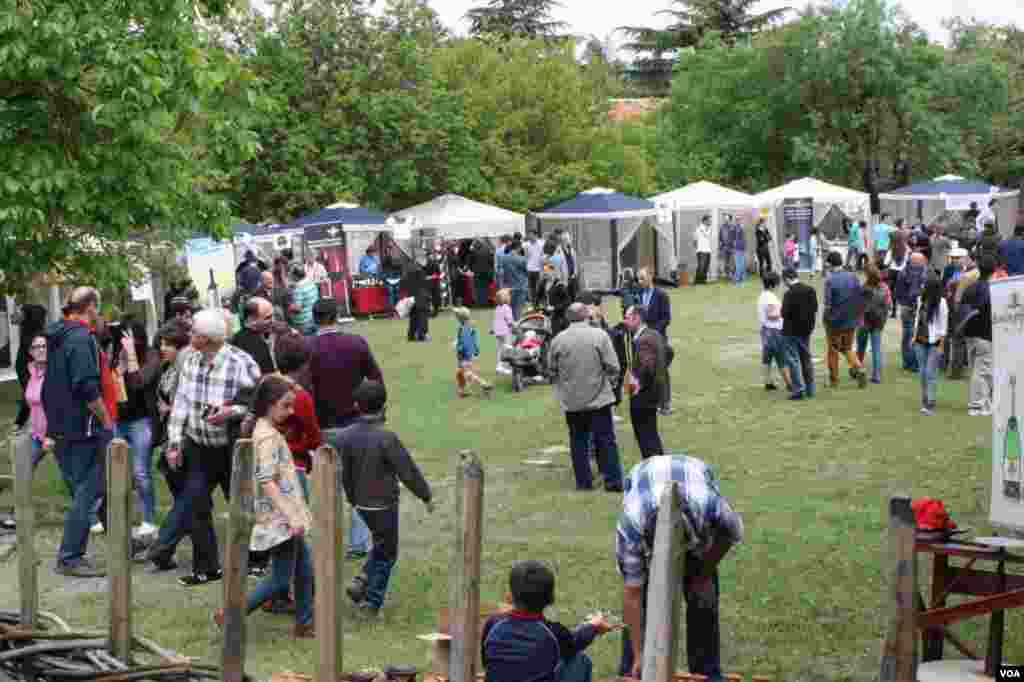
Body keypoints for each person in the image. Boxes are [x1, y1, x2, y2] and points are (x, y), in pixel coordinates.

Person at [145, 309, 261, 587]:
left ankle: (258, 561)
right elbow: (182, 404)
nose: (190, 336)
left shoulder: (241, 363)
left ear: (208, 339)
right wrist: (174, 444)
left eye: (194, 333)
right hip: (199, 446)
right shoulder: (191, 361)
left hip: (232, 447)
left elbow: (257, 402)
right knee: (196, 505)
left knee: (244, 505)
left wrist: (229, 411)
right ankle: (207, 567)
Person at [617, 455, 744, 679]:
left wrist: (704, 571)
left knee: (703, 596)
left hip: (693, 479)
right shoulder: (631, 527)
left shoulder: (709, 506)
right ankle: (633, 670)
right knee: (643, 595)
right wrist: (639, 654)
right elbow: (632, 594)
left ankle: (706, 671)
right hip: (644, 480)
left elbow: (730, 534)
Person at [213, 375, 315, 638]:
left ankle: (305, 623)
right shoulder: (267, 437)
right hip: (279, 518)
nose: (291, 411)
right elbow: (267, 480)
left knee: (304, 568)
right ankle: (231, 613)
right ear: (269, 404)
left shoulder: (262, 428)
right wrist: (291, 514)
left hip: (280, 515)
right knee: (282, 577)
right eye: (286, 405)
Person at [340, 380, 434, 616]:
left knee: (381, 544)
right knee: (388, 552)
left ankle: (362, 580)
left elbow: (345, 472)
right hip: (384, 505)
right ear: (384, 407)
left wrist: (352, 498)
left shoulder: (347, 437)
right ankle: (372, 601)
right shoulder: (386, 438)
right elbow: (407, 470)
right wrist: (426, 496)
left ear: (356, 406)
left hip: (360, 504)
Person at [42, 287, 113, 577]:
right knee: (89, 490)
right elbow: (86, 386)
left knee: (96, 486)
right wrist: (106, 420)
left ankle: (121, 540)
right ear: (91, 307)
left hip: (60, 425)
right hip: (82, 428)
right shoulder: (81, 338)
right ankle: (70, 557)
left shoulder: (57, 337)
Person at [307, 298, 382, 560]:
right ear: (337, 315)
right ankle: (359, 542)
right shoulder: (356, 343)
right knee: (359, 483)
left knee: (328, 488)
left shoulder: (307, 348)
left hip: (323, 426)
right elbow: (376, 379)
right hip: (355, 421)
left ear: (314, 318)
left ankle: (328, 542)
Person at [482, 561, 615, 682]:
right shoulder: (553, 633)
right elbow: (576, 640)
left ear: (510, 596)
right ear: (550, 599)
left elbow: (486, 662)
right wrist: (594, 626)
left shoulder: (493, 624)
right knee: (579, 660)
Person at [547, 303, 624, 492]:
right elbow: (614, 366)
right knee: (606, 440)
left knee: (578, 441)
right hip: (599, 399)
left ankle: (583, 482)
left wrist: (565, 384)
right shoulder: (599, 336)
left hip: (573, 401)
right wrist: (611, 383)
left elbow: (551, 369)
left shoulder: (558, 340)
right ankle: (613, 481)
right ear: (586, 316)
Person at [114, 320, 159, 538]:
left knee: (140, 472)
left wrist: (131, 355)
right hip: (119, 420)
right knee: (117, 470)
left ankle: (149, 519)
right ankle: (117, 518)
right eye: (123, 337)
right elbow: (115, 390)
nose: (125, 342)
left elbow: (138, 382)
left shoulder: (151, 356)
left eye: (130, 338)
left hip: (141, 420)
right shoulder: (118, 355)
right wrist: (117, 371)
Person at [623, 306, 666, 460]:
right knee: (651, 435)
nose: (625, 321)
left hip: (643, 398)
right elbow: (669, 352)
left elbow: (647, 366)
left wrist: (637, 383)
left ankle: (655, 471)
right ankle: (660, 467)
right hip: (653, 394)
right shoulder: (654, 334)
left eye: (627, 318)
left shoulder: (644, 340)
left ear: (637, 318)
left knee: (646, 438)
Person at [823, 251, 867, 389]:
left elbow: (828, 304)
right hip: (851, 319)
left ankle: (834, 380)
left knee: (832, 350)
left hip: (834, 321)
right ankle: (859, 369)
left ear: (829, 264)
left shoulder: (830, 280)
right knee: (847, 347)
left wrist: (825, 319)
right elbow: (859, 297)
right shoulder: (853, 277)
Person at [961, 255, 995, 416]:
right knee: (982, 371)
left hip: (970, 333)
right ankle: (977, 405)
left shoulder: (970, 287)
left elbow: (962, 308)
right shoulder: (993, 290)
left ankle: (983, 402)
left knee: (976, 368)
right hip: (985, 334)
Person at [636, 268, 672, 415]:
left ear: (651, 276)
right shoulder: (638, 294)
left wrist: (653, 332)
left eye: (642, 278)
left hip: (658, 337)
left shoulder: (661, 295)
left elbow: (666, 318)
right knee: (644, 369)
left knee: (661, 371)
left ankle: (665, 404)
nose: (640, 282)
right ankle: (650, 401)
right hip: (641, 338)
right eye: (638, 279)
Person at [781, 268, 818, 401]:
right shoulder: (811, 290)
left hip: (791, 331)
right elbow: (815, 309)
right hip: (806, 331)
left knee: (793, 360)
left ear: (786, 279)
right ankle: (810, 388)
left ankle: (798, 389)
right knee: (806, 359)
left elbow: (783, 313)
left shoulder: (789, 294)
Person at [914, 275, 949, 416]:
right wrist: (913, 337)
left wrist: (941, 345)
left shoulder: (941, 303)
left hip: (934, 341)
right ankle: (925, 398)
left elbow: (943, 326)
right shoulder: (920, 300)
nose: (922, 287)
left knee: (930, 372)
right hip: (920, 340)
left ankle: (930, 401)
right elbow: (917, 318)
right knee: (922, 372)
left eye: (924, 285)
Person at [14, 303, 48, 432]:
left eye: (21, 312)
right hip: (26, 368)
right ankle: (23, 422)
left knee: (33, 394)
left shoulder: (35, 334)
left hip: (31, 369)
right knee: (30, 394)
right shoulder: (29, 332)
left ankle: (21, 422)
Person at [856, 263, 891, 385]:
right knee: (876, 348)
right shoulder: (885, 288)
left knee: (861, 348)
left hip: (864, 321)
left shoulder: (864, 288)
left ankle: (857, 370)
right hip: (878, 321)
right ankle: (876, 375)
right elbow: (888, 305)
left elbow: (859, 306)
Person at [895, 253, 928, 373]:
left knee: (908, 335)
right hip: (913, 307)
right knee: (914, 336)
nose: (924, 263)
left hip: (906, 307)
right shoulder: (921, 273)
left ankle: (907, 362)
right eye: (922, 261)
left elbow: (897, 293)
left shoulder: (903, 272)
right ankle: (913, 363)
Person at [24, 335, 54, 471]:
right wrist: (30, 427)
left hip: (56, 435)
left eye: (44, 346)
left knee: (72, 477)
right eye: (37, 347)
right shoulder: (32, 372)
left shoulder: (56, 373)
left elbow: (60, 408)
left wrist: (51, 435)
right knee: (24, 470)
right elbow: (32, 403)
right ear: (31, 352)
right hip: (37, 435)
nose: (41, 350)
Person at [757, 272, 789, 392]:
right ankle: (789, 383)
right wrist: (785, 312)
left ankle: (768, 381)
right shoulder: (770, 297)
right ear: (772, 285)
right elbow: (771, 315)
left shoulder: (763, 295)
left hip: (766, 329)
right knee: (781, 358)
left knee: (767, 357)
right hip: (774, 330)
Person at [454, 307, 493, 398]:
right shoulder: (469, 326)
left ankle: (483, 384)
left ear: (459, 319)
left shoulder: (462, 328)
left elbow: (465, 343)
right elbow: (473, 340)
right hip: (468, 354)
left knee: (467, 373)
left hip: (464, 355)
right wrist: (475, 350)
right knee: (460, 373)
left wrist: (459, 347)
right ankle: (462, 391)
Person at [232, 298, 278, 375]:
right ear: (251, 319)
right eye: (267, 318)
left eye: (273, 316)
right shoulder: (256, 345)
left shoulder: (238, 337)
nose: (273, 320)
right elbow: (269, 379)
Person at [401, 260, 430, 342]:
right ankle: (422, 335)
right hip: (421, 297)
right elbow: (424, 284)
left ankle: (411, 335)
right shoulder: (420, 272)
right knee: (422, 317)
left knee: (413, 318)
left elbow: (403, 284)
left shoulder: (407, 272)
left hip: (411, 297)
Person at [500, 243, 530, 320]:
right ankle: (516, 326)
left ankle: (508, 326)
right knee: (518, 309)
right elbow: (527, 272)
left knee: (508, 308)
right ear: (518, 248)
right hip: (521, 286)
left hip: (508, 287)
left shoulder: (503, 258)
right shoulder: (522, 259)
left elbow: (501, 272)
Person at [289, 264, 319, 335]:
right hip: (313, 318)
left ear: (295, 276)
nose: (290, 276)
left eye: (291, 275)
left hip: (303, 323)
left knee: (305, 343)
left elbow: (297, 308)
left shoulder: (298, 288)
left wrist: (289, 306)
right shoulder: (311, 282)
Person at [492, 289, 516, 376]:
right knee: (508, 348)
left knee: (499, 349)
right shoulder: (507, 308)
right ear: (506, 298)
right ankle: (507, 367)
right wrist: (514, 326)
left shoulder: (497, 308)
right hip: (505, 331)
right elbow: (509, 320)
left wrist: (493, 329)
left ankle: (499, 366)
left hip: (498, 332)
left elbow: (495, 320)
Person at [526, 231, 546, 304]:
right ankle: (533, 303)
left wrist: (545, 269)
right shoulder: (527, 245)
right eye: (529, 235)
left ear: (535, 235)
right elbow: (526, 256)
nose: (530, 237)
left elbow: (545, 257)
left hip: (539, 270)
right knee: (531, 288)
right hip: (529, 269)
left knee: (540, 287)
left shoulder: (542, 244)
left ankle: (540, 302)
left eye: (531, 235)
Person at [695, 215, 713, 283]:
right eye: (709, 220)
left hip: (708, 250)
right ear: (705, 221)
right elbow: (695, 239)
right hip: (701, 250)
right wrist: (698, 248)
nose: (710, 221)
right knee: (701, 266)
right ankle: (698, 280)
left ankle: (703, 280)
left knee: (706, 266)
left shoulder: (709, 228)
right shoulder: (699, 228)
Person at [731, 217, 747, 284]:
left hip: (741, 248)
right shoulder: (734, 228)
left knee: (742, 264)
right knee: (738, 264)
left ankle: (741, 278)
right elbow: (732, 238)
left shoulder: (742, 228)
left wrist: (745, 247)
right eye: (737, 220)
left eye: (740, 220)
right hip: (737, 248)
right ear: (736, 221)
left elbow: (744, 238)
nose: (739, 221)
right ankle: (737, 279)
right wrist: (733, 247)